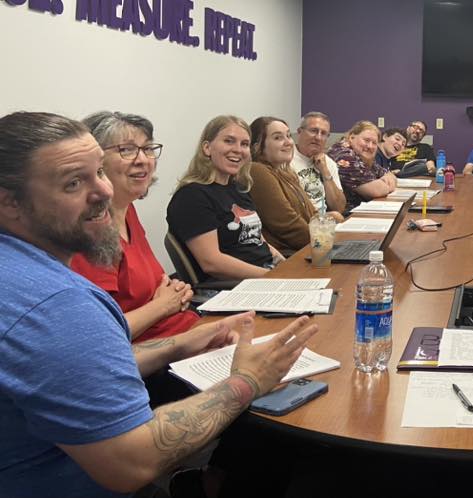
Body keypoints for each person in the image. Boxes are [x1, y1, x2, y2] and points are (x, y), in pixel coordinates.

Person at [0, 111, 319, 497]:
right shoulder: (57, 304)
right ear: (10, 203)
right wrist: (248, 382)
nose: (102, 191)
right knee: (276, 420)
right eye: (72, 183)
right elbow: (132, 463)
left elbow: (83, 362)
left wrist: (178, 343)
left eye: (99, 171)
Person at [70, 111, 198, 343]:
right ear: (95, 161)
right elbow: (102, 333)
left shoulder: (127, 209)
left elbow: (153, 283)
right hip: (152, 358)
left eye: (148, 148)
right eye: (126, 149)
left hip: (182, 330)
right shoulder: (92, 227)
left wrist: (174, 292)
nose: (143, 159)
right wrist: (163, 305)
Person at [167, 115, 283, 282]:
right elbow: (212, 263)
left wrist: (286, 268)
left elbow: (258, 241)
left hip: (265, 276)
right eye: (229, 141)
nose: (238, 149)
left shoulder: (238, 189)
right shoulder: (192, 196)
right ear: (207, 148)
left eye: (244, 144)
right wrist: (274, 277)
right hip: (235, 288)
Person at [248, 116, 319, 256]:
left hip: (306, 248)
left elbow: (312, 215)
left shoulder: (286, 173)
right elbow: (288, 225)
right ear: (258, 146)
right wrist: (326, 241)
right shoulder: (257, 170)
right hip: (287, 256)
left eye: (288, 136)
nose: (288, 143)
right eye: (278, 138)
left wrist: (328, 227)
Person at [328, 120, 398, 210]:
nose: (370, 146)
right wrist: (384, 184)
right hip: (344, 217)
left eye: (374, 143)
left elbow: (390, 176)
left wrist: (384, 182)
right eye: (366, 140)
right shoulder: (345, 156)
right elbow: (376, 190)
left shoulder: (360, 154)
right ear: (352, 137)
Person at [290, 112, 347, 218]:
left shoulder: (328, 163)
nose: (318, 137)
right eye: (313, 131)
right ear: (299, 132)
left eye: (324, 133)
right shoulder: (286, 159)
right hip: (299, 221)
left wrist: (325, 171)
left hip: (324, 223)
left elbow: (339, 207)